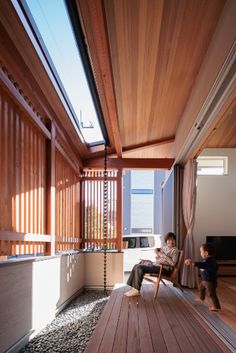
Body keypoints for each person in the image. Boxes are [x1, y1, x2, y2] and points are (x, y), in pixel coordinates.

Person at [125, 232, 179, 297]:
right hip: (156, 265)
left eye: (172, 240)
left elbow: (173, 263)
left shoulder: (175, 250)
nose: (171, 241)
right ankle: (134, 288)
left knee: (139, 267)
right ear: (166, 241)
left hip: (164, 269)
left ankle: (136, 290)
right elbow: (160, 258)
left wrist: (163, 255)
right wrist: (158, 254)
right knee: (136, 265)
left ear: (174, 240)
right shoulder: (165, 248)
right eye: (169, 240)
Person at [185, 242, 221, 311]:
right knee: (201, 287)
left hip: (210, 282)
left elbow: (202, 264)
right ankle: (202, 298)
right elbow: (203, 265)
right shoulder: (208, 260)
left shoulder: (209, 261)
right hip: (205, 280)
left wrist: (193, 262)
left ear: (206, 253)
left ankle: (217, 307)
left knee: (212, 294)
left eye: (201, 251)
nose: (200, 253)